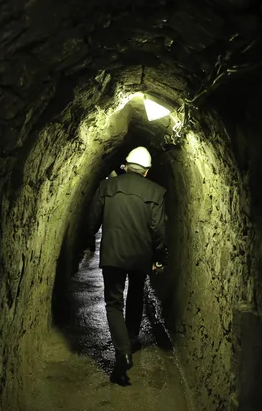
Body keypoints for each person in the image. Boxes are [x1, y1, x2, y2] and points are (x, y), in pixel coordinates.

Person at [87, 146, 168, 385]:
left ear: (126, 166)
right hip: (140, 256)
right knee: (135, 295)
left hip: (113, 254)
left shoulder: (107, 186)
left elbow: (92, 220)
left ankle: (122, 351)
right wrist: (159, 257)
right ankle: (131, 339)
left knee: (113, 303)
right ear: (146, 172)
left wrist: (86, 239)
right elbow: (158, 230)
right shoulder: (155, 192)